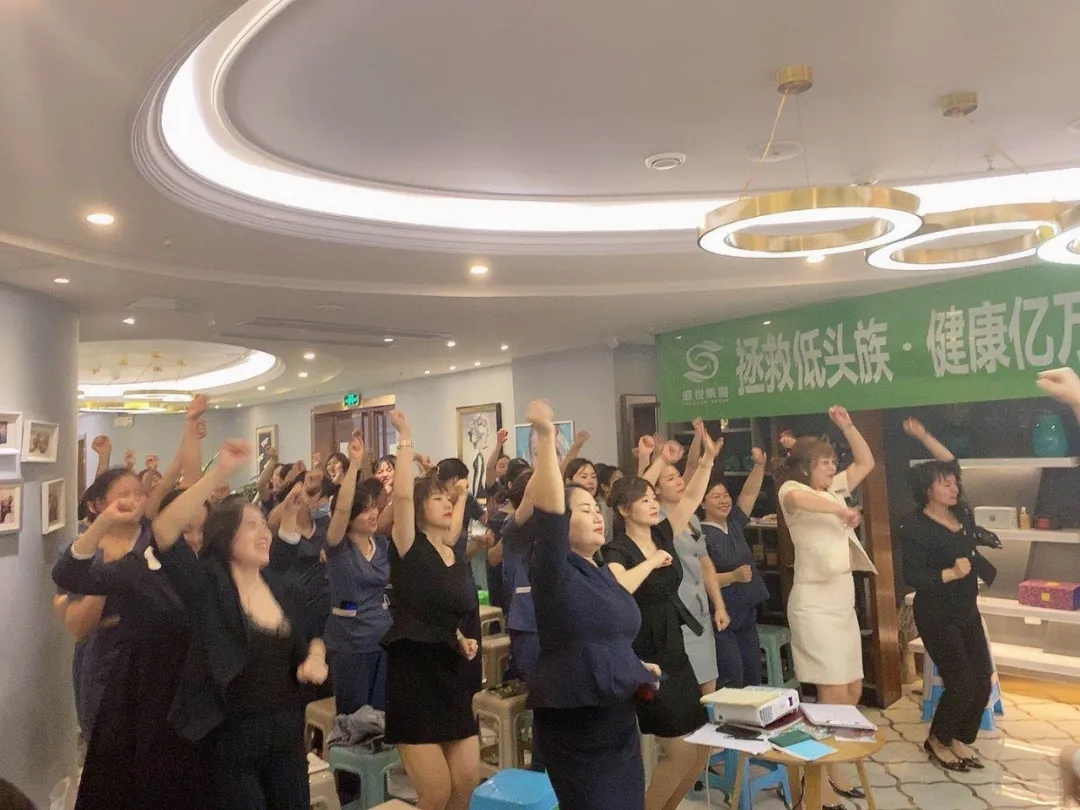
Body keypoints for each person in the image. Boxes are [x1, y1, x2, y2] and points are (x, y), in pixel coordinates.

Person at [153, 441, 328, 810]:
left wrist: (316, 657)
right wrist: (218, 473)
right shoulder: (207, 586)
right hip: (231, 739)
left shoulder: (279, 585)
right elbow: (165, 529)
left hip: (286, 733)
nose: (265, 533)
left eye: (264, 524)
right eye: (251, 525)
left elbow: (313, 636)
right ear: (225, 535)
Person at [523, 400, 658, 810]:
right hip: (575, 717)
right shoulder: (553, 568)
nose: (597, 515)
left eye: (597, 508)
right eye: (584, 510)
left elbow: (610, 637)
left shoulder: (601, 573)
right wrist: (546, 436)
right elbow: (549, 510)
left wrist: (636, 665)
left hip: (616, 715)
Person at [52, 467, 207, 810]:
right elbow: (78, 625)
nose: (134, 500)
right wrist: (110, 567)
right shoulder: (87, 548)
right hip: (105, 669)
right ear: (97, 505)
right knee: (111, 767)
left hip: (160, 677)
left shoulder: (157, 541)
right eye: (123, 494)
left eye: (139, 492)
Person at [603, 420, 722, 810]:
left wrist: (706, 460)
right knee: (678, 750)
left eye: (655, 497)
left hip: (676, 648)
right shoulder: (617, 550)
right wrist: (652, 561)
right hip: (645, 657)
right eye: (645, 500)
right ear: (624, 510)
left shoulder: (663, 534)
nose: (654, 503)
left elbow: (692, 496)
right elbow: (619, 588)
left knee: (700, 745)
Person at [775, 405, 876, 808]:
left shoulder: (834, 489)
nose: (833, 468)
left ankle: (831, 768)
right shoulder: (791, 490)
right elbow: (802, 499)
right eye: (825, 462)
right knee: (831, 691)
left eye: (834, 462)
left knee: (851, 689)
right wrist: (841, 509)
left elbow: (866, 462)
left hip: (841, 599)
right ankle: (817, 778)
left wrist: (848, 427)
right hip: (813, 603)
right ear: (805, 466)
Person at [383, 410, 481, 810]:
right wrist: (405, 436)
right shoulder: (408, 544)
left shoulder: (453, 554)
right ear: (421, 508)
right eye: (436, 498)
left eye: (448, 498)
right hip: (415, 678)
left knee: (466, 784)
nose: (446, 503)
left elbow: (440, 610)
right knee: (436, 793)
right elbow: (403, 496)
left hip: (452, 674)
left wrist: (461, 638)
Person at [899, 417, 997, 772]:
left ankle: (958, 736)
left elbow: (951, 461)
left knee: (982, 680)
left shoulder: (961, 512)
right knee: (962, 682)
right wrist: (950, 573)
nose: (954, 487)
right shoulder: (914, 526)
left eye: (954, 483)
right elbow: (913, 576)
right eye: (945, 484)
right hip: (936, 614)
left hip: (966, 609)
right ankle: (937, 740)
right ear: (929, 490)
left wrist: (924, 434)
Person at [642, 429, 729, 696]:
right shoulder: (654, 521)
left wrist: (719, 605)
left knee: (710, 687)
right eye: (670, 478)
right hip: (675, 614)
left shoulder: (691, 518)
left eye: (678, 475)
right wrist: (656, 458)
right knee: (686, 693)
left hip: (699, 608)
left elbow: (705, 563)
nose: (680, 481)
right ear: (655, 490)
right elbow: (638, 489)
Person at [324, 431, 391, 714]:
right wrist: (354, 465)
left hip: (382, 637)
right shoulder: (338, 546)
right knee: (354, 718)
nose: (373, 514)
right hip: (349, 643)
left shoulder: (382, 544)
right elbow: (341, 509)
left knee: (381, 716)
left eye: (374, 508)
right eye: (364, 511)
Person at [702, 446, 770, 688]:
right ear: (702, 503)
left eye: (725, 495)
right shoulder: (700, 533)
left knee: (753, 674)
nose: (723, 500)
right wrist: (732, 576)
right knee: (733, 677)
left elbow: (749, 494)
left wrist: (759, 466)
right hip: (722, 615)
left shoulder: (734, 523)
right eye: (715, 496)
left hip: (747, 610)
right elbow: (701, 579)